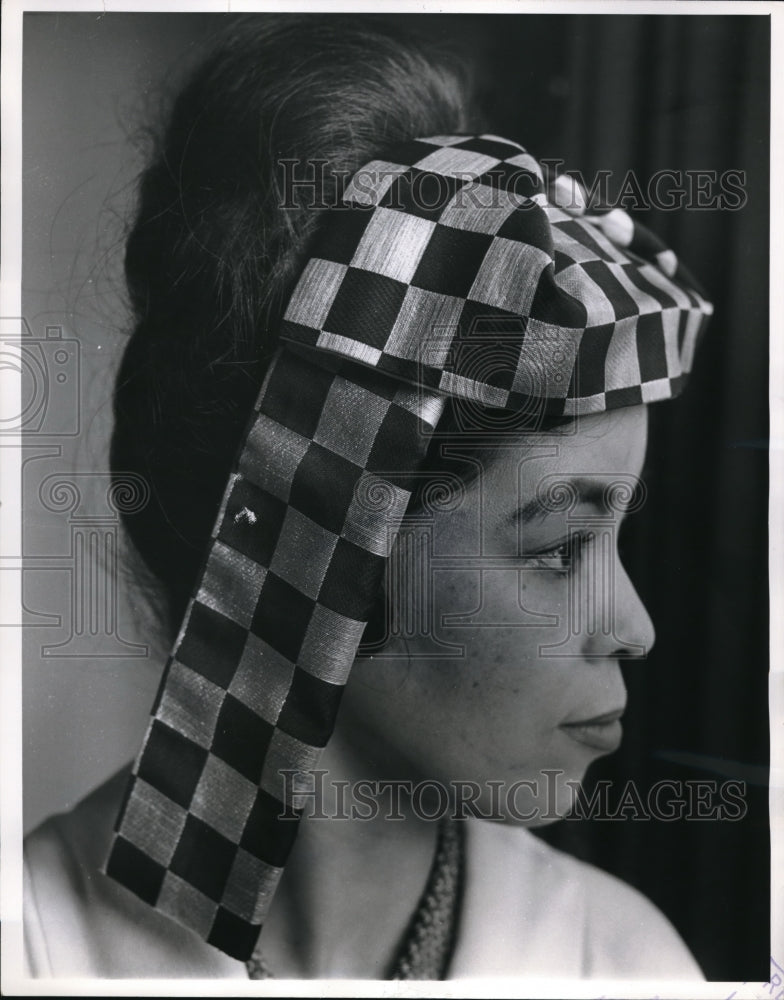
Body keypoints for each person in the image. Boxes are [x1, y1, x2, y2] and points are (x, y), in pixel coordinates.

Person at [23, 15, 712, 980]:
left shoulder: (630, 967)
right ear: (329, 545)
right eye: (561, 548)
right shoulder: (34, 947)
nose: (633, 627)